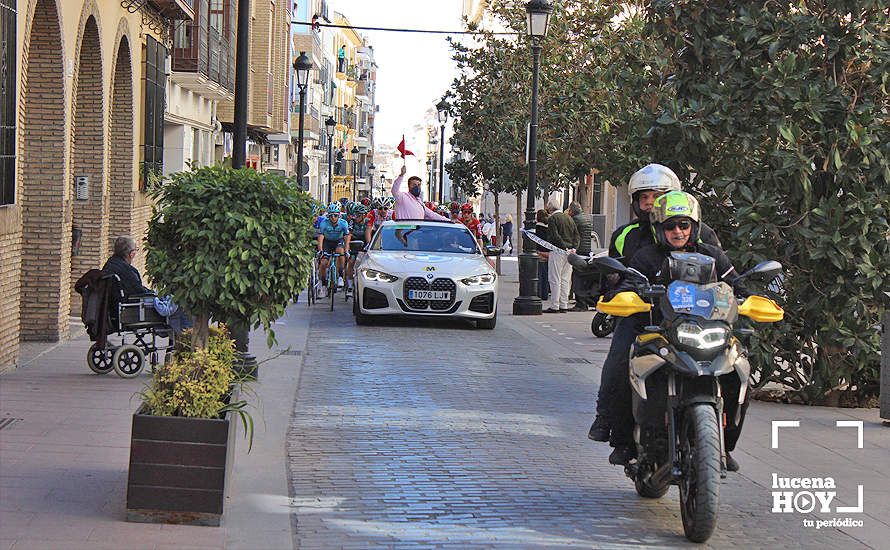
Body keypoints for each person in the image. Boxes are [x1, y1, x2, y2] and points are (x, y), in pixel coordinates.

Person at [604, 191, 745, 470]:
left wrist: (751, 300)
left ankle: (723, 444)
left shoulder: (712, 255)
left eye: (684, 225)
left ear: (694, 226)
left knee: (739, 369)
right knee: (622, 365)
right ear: (659, 228)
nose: (678, 231)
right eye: (671, 226)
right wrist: (624, 296)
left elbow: (738, 285)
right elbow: (626, 284)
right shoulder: (646, 257)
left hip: (706, 330)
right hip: (659, 331)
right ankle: (622, 440)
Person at [589, 164, 722, 444]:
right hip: (644, 316)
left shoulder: (703, 234)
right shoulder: (628, 235)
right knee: (620, 358)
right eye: (644, 197)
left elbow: (722, 270)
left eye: (658, 195)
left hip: (695, 317)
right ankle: (608, 420)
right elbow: (619, 274)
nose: (650, 202)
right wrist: (616, 287)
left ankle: (722, 438)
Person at [102, 235, 191, 332]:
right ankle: (181, 335)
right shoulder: (128, 271)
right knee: (178, 305)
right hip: (130, 312)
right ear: (131, 254)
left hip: (112, 311)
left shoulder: (109, 265)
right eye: (136, 249)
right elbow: (139, 292)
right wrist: (154, 294)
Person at [543, 202, 579, 313]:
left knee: (555, 278)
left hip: (557, 251)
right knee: (565, 279)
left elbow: (555, 235)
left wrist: (563, 247)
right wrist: (573, 248)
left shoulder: (553, 218)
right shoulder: (569, 218)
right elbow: (576, 235)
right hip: (570, 253)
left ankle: (555, 305)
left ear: (550, 209)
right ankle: (564, 304)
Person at [316, 202, 351, 297]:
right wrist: (320, 250)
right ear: (328, 216)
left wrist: (347, 250)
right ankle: (323, 286)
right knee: (323, 263)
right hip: (327, 242)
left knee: (340, 251)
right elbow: (321, 237)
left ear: (339, 215)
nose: (333, 218)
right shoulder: (324, 223)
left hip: (338, 241)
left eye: (335, 215)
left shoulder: (343, 223)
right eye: (331, 216)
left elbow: (347, 237)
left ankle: (340, 276)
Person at [567, 202, 595, 311]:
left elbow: (572, 234)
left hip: (579, 251)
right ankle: (583, 301)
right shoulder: (587, 218)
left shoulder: (575, 220)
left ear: (572, 210)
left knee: (577, 277)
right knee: (583, 277)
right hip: (587, 251)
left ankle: (581, 303)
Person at [345, 202, 370, 295]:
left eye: (358, 215)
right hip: (354, 243)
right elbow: (349, 235)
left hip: (364, 243)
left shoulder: (368, 222)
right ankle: (350, 285)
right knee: (351, 262)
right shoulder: (352, 222)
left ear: (364, 215)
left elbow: (370, 234)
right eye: (355, 215)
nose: (356, 217)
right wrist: (347, 248)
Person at [534, 209, 551, 301]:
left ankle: (539, 293)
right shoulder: (548, 228)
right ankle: (545, 293)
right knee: (546, 275)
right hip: (548, 253)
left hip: (539, 253)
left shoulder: (536, 228)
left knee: (539, 275)